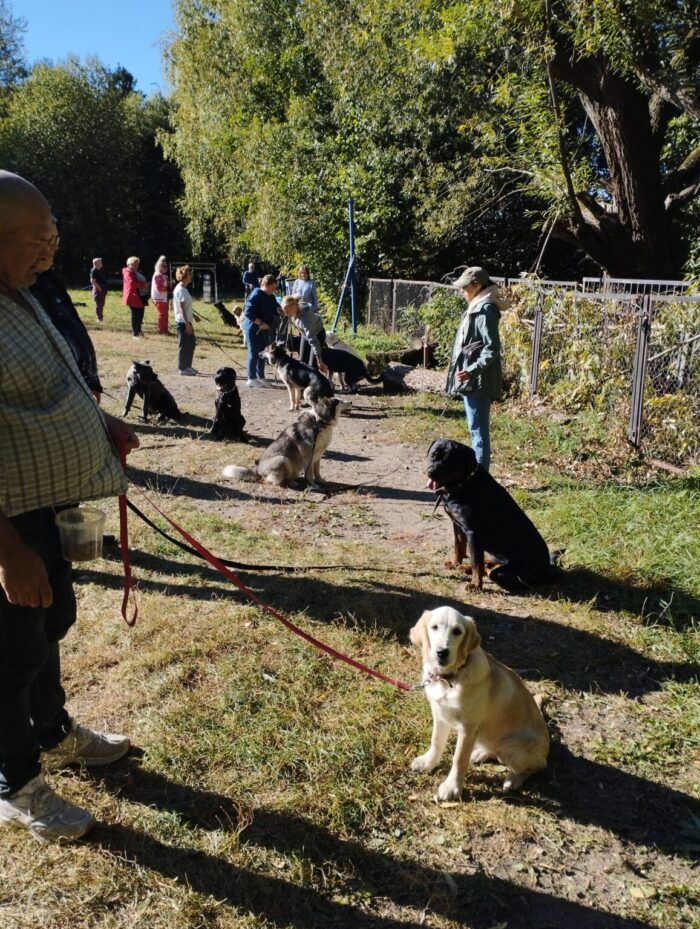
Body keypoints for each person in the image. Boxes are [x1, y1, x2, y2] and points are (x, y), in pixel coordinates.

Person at [0, 170, 139, 842]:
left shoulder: (22, 293)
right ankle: (15, 783)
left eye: (53, 235)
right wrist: (8, 552)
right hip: (9, 524)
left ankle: (52, 732)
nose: (50, 250)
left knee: (49, 623)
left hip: (47, 507)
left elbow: (53, 382)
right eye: (36, 238)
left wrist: (102, 422)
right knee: (8, 654)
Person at [31, 219, 103, 401]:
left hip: (78, 386)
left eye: (55, 240)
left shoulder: (50, 279)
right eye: (44, 241)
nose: (52, 248)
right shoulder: (13, 291)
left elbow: (73, 327)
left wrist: (92, 379)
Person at [445, 266, 505, 472]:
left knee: (478, 433)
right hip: (470, 379)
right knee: (475, 431)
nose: (462, 290)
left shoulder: (485, 308)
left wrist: (471, 371)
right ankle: (479, 475)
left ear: (477, 285)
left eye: (464, 287)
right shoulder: (476, 305)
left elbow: (492, 347)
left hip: (478, 381)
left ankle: (481, 479)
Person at [242, 273, 280, 387]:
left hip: (264, 330)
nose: (274, 290)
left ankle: (260, 377)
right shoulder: (256, 294)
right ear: (265, 285)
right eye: (272, 288)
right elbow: (247, 312)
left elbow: (275, 306)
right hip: (253, 328)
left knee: (263, 353)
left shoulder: (271, 296)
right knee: (254, 353)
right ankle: (251, 378)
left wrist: (279, 309)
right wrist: (260, 323)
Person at [280, 295, 330, 376]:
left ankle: (317, 385)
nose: (286, 314)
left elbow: (313, 341)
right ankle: (304, 385)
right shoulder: (295, 310)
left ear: (293, 307)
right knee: (303, 362)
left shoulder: (305, 320)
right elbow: (300, 326)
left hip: (317, 335)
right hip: (306, 334)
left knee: (312, 366)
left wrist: (319, 360)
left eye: (287, 311)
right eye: (284, 311)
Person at [173, 264, 197, 375]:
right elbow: (181, 309)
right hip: (183, 323)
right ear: (185, 276)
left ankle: (188, 366)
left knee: (191, 343)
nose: (191, 276)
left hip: (187, 321)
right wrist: (187, 324)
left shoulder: (184, 288)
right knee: (184, 345)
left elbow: (186, 307)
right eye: (189, 274)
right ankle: (182, 369)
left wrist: (193, 316)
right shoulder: (181, 290)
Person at [122, 255, 146, 338]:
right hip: (133, 297)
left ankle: (139, 331)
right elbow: (132, 284)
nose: (136, 266)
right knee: (135, 316)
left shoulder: (135, 272)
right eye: (134, 264)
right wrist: (143, 284)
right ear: (129, 264)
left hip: (138, 296)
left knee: (140, 315)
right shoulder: (128, 272)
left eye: (137, 264)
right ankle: (135, 334)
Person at [151, 255, 170, 335]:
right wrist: (169, 289)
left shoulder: (164, 276)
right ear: (159, 266)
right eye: (164, 266)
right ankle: (161, 330)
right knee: (162, 314)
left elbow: (167, 286)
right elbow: (159, 287)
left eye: (166, 266)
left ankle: (165, 330)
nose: (166, 268)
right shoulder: (158, 275)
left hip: (164, 297)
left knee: (165, 314)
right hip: (159, 298)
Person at [90, 257, 107, 322]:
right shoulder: (94, 270)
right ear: (96, 263)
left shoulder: (99, 270)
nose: (102, 263)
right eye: (100, 262)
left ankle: (101, 317)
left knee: (101, 304)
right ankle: (99, 318)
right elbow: (93, 281)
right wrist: (99, 288)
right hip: (98, 290)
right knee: (99, 304)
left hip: (102, 289)